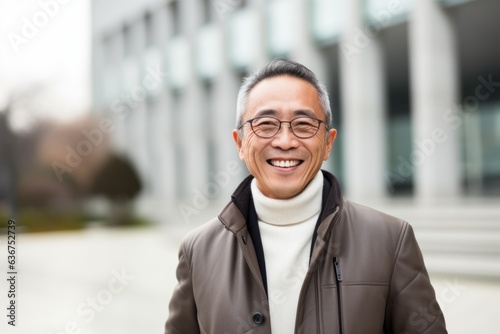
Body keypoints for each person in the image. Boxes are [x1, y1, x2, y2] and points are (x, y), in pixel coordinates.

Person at [164, 59, 447, 333]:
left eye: (303, 124)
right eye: (265, 124)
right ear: (240, 143)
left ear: (327, 143)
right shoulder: (198, 252)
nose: (285, 141)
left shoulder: (389, 241)